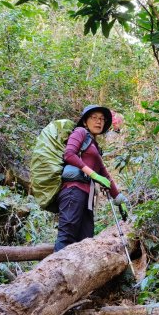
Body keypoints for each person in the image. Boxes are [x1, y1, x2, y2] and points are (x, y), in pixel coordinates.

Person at [54, 105, 128, 251]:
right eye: (94, 117)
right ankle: (54, 273)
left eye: (102, 119)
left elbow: (104, 174)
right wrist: (92, 174)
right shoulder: (80, 132)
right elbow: (69, 154)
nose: (99, 121)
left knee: (85, 240)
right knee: (67, 236)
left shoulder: (94, 146)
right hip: (73, 191)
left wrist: (119, 198)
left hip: (87, 198)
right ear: (85, 121)